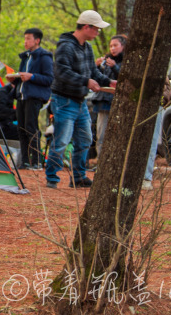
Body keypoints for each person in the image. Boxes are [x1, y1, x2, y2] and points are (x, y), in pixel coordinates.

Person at [44, 10, 115, 189]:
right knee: (61, 140)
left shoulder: (87, 47)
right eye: (97, 29)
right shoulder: (65, 47)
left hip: (80, 100)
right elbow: (62, 72)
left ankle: (79, 176)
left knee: (84, 140)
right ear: (86, 27)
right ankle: (52, 177)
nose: (98, 32)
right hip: (64, 100)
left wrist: (109, 82)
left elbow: (93, 71)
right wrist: (86, 81)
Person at [8, 28, 53, 170]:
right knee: (21, 128)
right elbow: (22, 78)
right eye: (25, 38)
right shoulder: (25, 57)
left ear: (37, 40)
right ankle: (25, 161)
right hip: (21, 95)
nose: (25, 42)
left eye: (28, 38)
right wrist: (13, 80)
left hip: (34, 96)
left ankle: (37, 161)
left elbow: (49, 79)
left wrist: (31, 76)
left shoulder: (44, 57)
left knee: (31, 128)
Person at [89, 34, 126, 160]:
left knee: (118, 135)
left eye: (115, 45)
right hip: (103, 101)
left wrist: (115, 67)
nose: (113, 49)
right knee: (102, 134)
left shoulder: (126, 62)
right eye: (111, 46)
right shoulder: (106, 61)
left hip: (119, 103)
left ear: (123, 46)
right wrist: (97, 66)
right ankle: (101, 161)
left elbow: (125, 79)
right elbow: (96, 78)